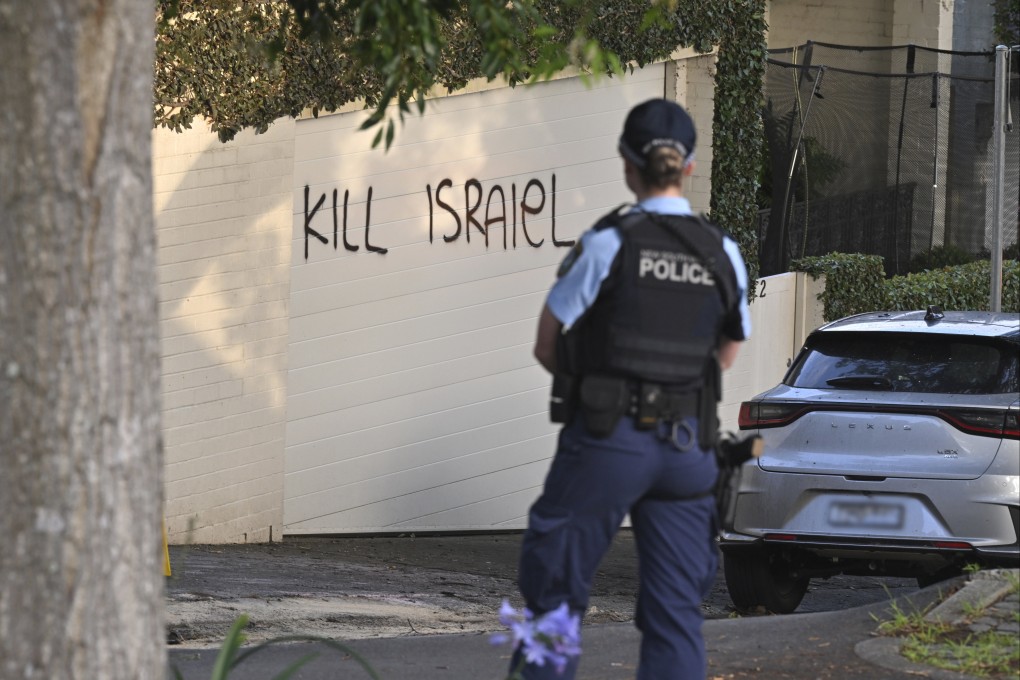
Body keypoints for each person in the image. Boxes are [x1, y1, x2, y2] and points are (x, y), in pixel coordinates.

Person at [512, 98, 752, 679]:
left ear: (627, 165)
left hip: (605, 442)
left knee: (557, 598)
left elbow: (547, 344)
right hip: (687, 450)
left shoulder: (608, 243)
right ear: (690, 167)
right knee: (675, 613)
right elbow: (725, 355)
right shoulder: (725, 254)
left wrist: (599, 390)